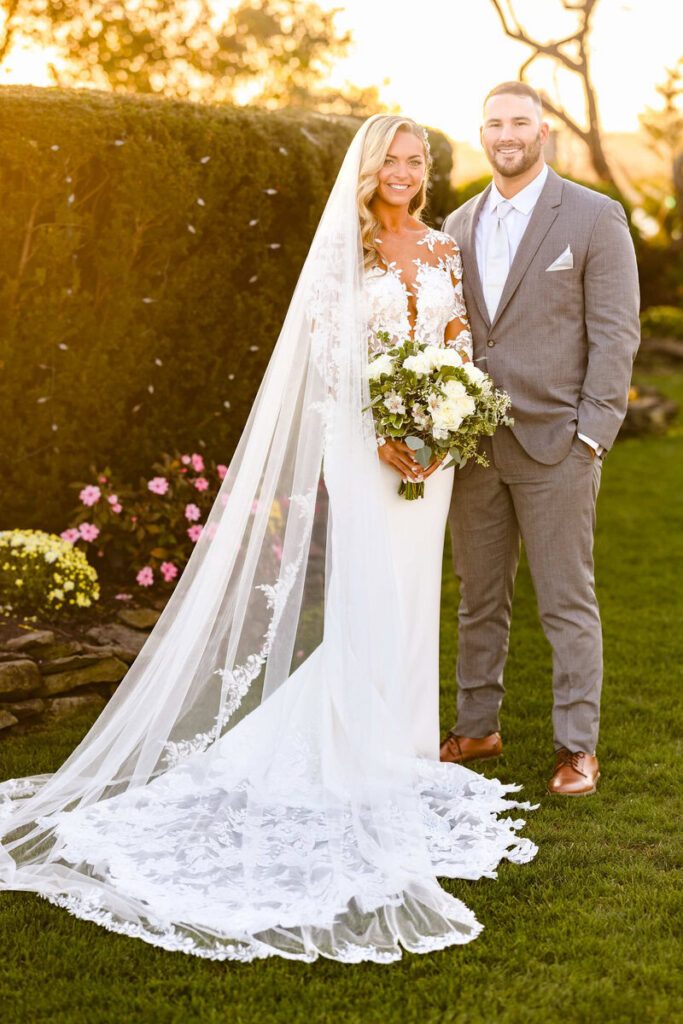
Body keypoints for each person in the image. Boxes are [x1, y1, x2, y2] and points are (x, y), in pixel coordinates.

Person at [0, 115, 535, 964]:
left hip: (430, 457)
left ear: (424, 172)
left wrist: (444, 418)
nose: (402, 171)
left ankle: (399, 750)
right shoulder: (342, 256)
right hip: (361, 447)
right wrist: (381, 428)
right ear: (366, 169)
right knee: (369, 595)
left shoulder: (440, 248)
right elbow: (327, 361)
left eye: (413, 160)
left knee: (410, 599)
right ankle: (352, 753)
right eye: (388, 160)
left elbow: (456, 342)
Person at [440, 83, 640, 795]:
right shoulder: (456, 225)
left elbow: (615, 333)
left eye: (518, 121)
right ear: (482, 132)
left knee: (564, 600)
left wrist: (592, 434)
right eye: (493, 122)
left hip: (558, 444)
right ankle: (475, 726)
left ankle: (576, 746)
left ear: (542, 130)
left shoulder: (592, 216)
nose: (505, 134)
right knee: (477, 597)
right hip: (473, 448)